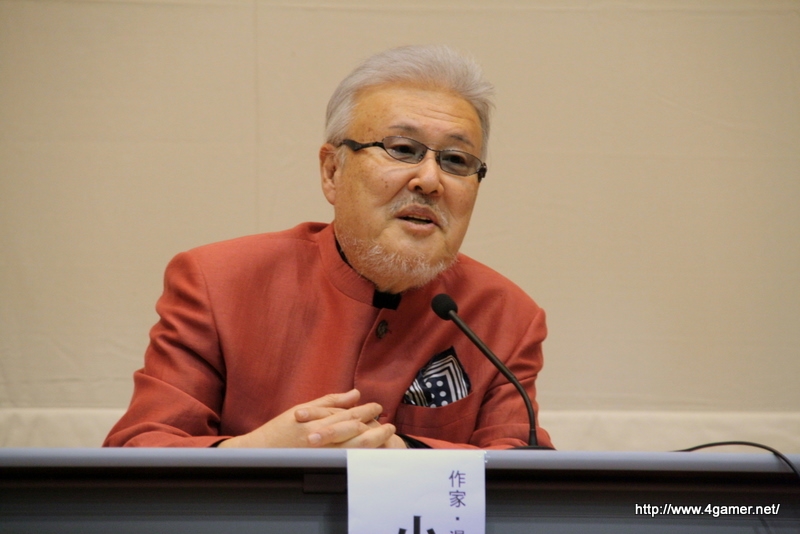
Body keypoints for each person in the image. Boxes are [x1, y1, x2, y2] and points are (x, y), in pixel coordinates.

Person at [104, 44, 553, 450]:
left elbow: (525, 472)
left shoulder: (505, 317)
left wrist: (409, 458)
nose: (430, 180)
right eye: (402, 149)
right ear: (332, 172)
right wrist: (257, 454)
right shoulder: (218, 283)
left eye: (456, 160)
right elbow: (140, 451)